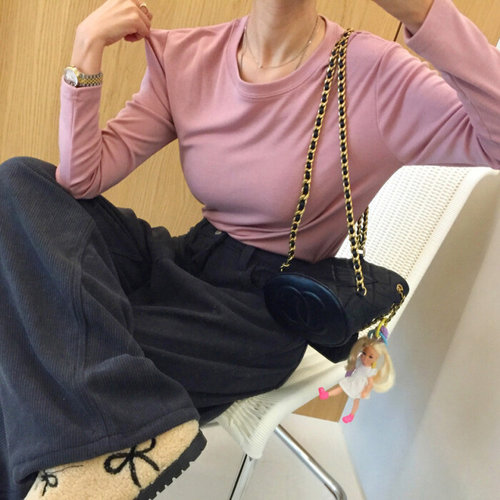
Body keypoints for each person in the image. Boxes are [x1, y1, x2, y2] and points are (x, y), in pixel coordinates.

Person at [0, 0, 498, 497]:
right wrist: (86, 49)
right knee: (20, 180)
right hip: (185, 260)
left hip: (261, 310)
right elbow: (82, 179)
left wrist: (421, 11)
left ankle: (96, 453)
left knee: (42, 344)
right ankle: (110, 440)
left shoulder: (375, 74)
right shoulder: (189, 56)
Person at [318, 334, 395, 423]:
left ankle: (351, 415)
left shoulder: (369, 370)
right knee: (341, 387)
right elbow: (353, 367)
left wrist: (365, 391)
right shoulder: (359, 361)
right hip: (352, 380)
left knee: (356, 400)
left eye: (370, 357)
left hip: (359, 385)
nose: (365, 357)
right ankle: (326, 394)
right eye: (364, 353)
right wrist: (349, 372)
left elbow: (370, 383)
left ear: (375, 359)